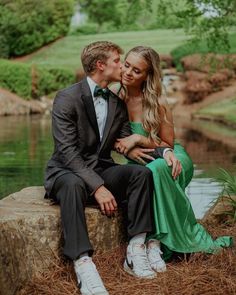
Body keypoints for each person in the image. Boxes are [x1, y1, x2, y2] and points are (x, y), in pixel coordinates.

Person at [44, 41, 166, 295]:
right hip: (65, 171)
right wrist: (97, 186)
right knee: (74, 183)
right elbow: (67, 152)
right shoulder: (67, 98)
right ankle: (82, 262)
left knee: (140, 174)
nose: (122, 66)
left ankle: (136, 248)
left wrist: (164, 151)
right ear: (100, 65)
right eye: (117, 61)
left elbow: (125, 145)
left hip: (101, 167)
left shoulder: (116, 103)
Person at [113, 45, 233, 273]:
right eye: (126, 65)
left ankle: (154, 243)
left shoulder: (157, 102)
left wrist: (139, 136)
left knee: (156, 168)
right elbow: (112, 140)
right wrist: (129, 150)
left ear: (147, 76)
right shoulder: (115, 98)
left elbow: (168, 144)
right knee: (146, 171)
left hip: (170, 155)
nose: (128, 72)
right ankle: (153, 241)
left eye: (137, 70)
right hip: (140, 159)